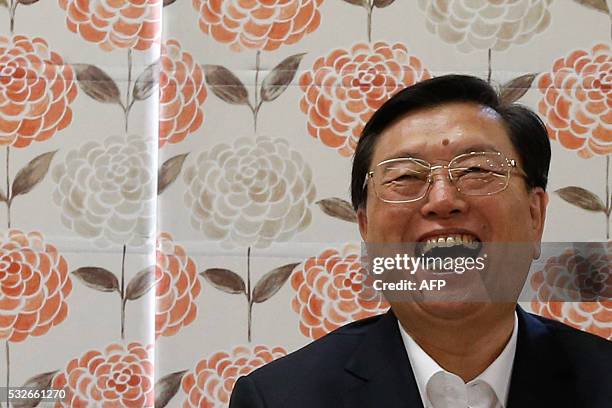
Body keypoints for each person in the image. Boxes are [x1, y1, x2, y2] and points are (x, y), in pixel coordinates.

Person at [229, 75, 611, 408]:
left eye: (476, 169)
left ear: (535, 215)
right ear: (365, 226)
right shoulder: (280, 398)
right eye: (406, 177)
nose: (443, 200)